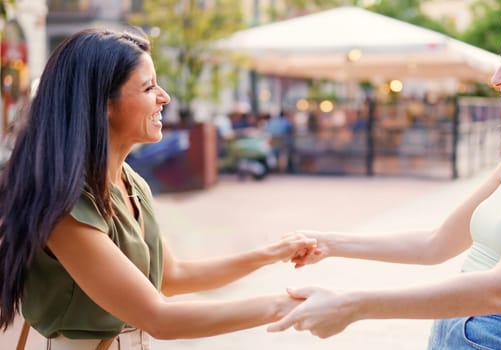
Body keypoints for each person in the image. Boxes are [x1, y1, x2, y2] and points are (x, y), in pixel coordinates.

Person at [267, 1, 501, 349]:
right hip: (457, 326)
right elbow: (435, 244)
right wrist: (329, 244)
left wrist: (352, 305)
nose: (496, 79)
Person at [0, 28, 316, 349]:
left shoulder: (131, 182)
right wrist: (287, 307)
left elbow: (171, 276)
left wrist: (268, 254)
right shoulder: (64, 204)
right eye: (149, 87)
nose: (164, 97)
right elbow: (159, 317)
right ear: (103, 103)